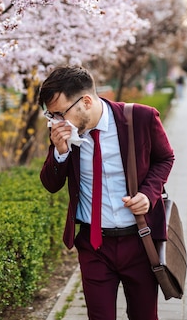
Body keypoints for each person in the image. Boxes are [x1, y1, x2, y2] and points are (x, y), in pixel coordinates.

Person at [38, 65, 175, 320]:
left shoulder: (140, 118)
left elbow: (165, 157)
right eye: (51, 115)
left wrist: (148, 194)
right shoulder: (66, 134)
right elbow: (50, 184)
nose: (56, 122)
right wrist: (60, 152)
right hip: (94, 245)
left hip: (140, 241)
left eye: (60, 113)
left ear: (86, 101)